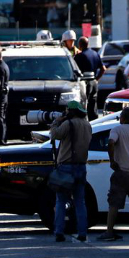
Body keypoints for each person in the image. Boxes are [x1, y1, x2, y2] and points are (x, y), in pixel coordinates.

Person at [97, 107, 129, 242]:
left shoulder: (117, 130)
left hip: (121, 172)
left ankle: (109, 231)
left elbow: (111, 142)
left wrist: (112, 161)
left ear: (122, 118)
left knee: (114, 203)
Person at [49, 100, 93, 242]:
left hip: (66, 166)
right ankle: (82, 232)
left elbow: (55, 134)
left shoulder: (68, 124)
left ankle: (59, 232)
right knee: (80, 201)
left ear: (70, 111)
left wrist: (56, 121)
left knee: (61, 201)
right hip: (81, 166)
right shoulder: (87, 125)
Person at [74, 36, 104, 119]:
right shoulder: (95, 54)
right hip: (94, 82)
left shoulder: (79, 56)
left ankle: (83, 122)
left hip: (84, 83)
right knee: (93, 104)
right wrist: (97, 79)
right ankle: (94, 124)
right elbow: (103, 69)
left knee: (84, 104)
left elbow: (74, 70)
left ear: (79, 45)